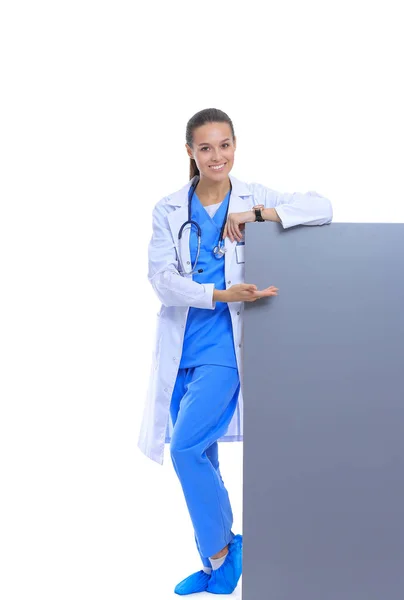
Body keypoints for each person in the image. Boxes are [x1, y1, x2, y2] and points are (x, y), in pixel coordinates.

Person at [137, 108, 333, 595]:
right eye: (205, 148)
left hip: (226, 348)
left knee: (183, 449)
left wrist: (259, 216)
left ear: (235, 145)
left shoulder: (252, 196)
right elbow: (163, 283)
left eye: (224, 145)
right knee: (199, 452)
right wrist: (221, 294)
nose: (216, 156)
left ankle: (224, 554)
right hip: (181, 348)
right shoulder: (168, 209)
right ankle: (214, 562)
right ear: (190, 153)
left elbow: (323, 207)